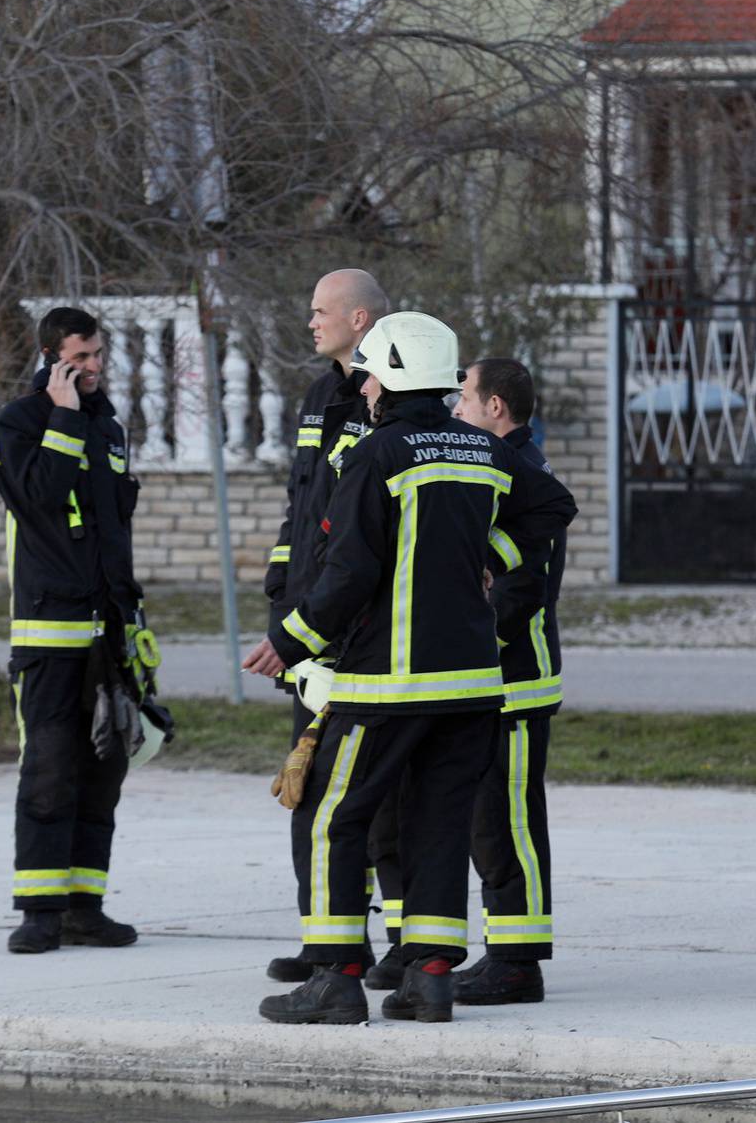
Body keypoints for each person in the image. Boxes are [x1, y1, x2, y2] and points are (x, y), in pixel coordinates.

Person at [243, 312, 576, 1025]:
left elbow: (349, 570)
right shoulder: (478, 447)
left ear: (390, 375)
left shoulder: (380, 453)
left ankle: (336, 979)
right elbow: (554, 504)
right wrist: (495, 557)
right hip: (472, 687)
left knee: (335, 816)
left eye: (368, 370)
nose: (360, 383)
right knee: (439, 826)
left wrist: (291, 640)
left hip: (388, 682)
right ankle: (428, 978)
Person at [0, 306, 147, 955]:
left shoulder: (107, 425)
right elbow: (42, 498)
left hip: (107, 631)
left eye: (97, 356)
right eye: (79, 357)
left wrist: (130, 618)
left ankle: (86, 906)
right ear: (51, 357)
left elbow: (115, 529)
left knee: (102, 770)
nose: (91, 367)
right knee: (50, 770)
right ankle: (39, 910)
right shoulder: (21, 422)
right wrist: (61, 414)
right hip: (49, 631)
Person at [264, 269, 387, 985]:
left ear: (360, 318)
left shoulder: (387, 399)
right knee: (307, 788)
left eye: (320, 312)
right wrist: (283, 597)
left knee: (373, 798)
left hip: (360, 632)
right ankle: (326, 941)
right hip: (306, 628)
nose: (310, 323)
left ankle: (394, 946)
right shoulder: (320, 396)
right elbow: (301, 508)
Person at [444, 357, 565, 1006]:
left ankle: (518, 964)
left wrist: (474, 640)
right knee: (488, 823)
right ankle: (505, 951)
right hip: (493, 680)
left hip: (515, 681)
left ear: (496, 408)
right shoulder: (500, 469)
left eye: (465, 398)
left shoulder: (526, 476)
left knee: (508, 823)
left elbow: (519, 589)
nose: (457, 409)